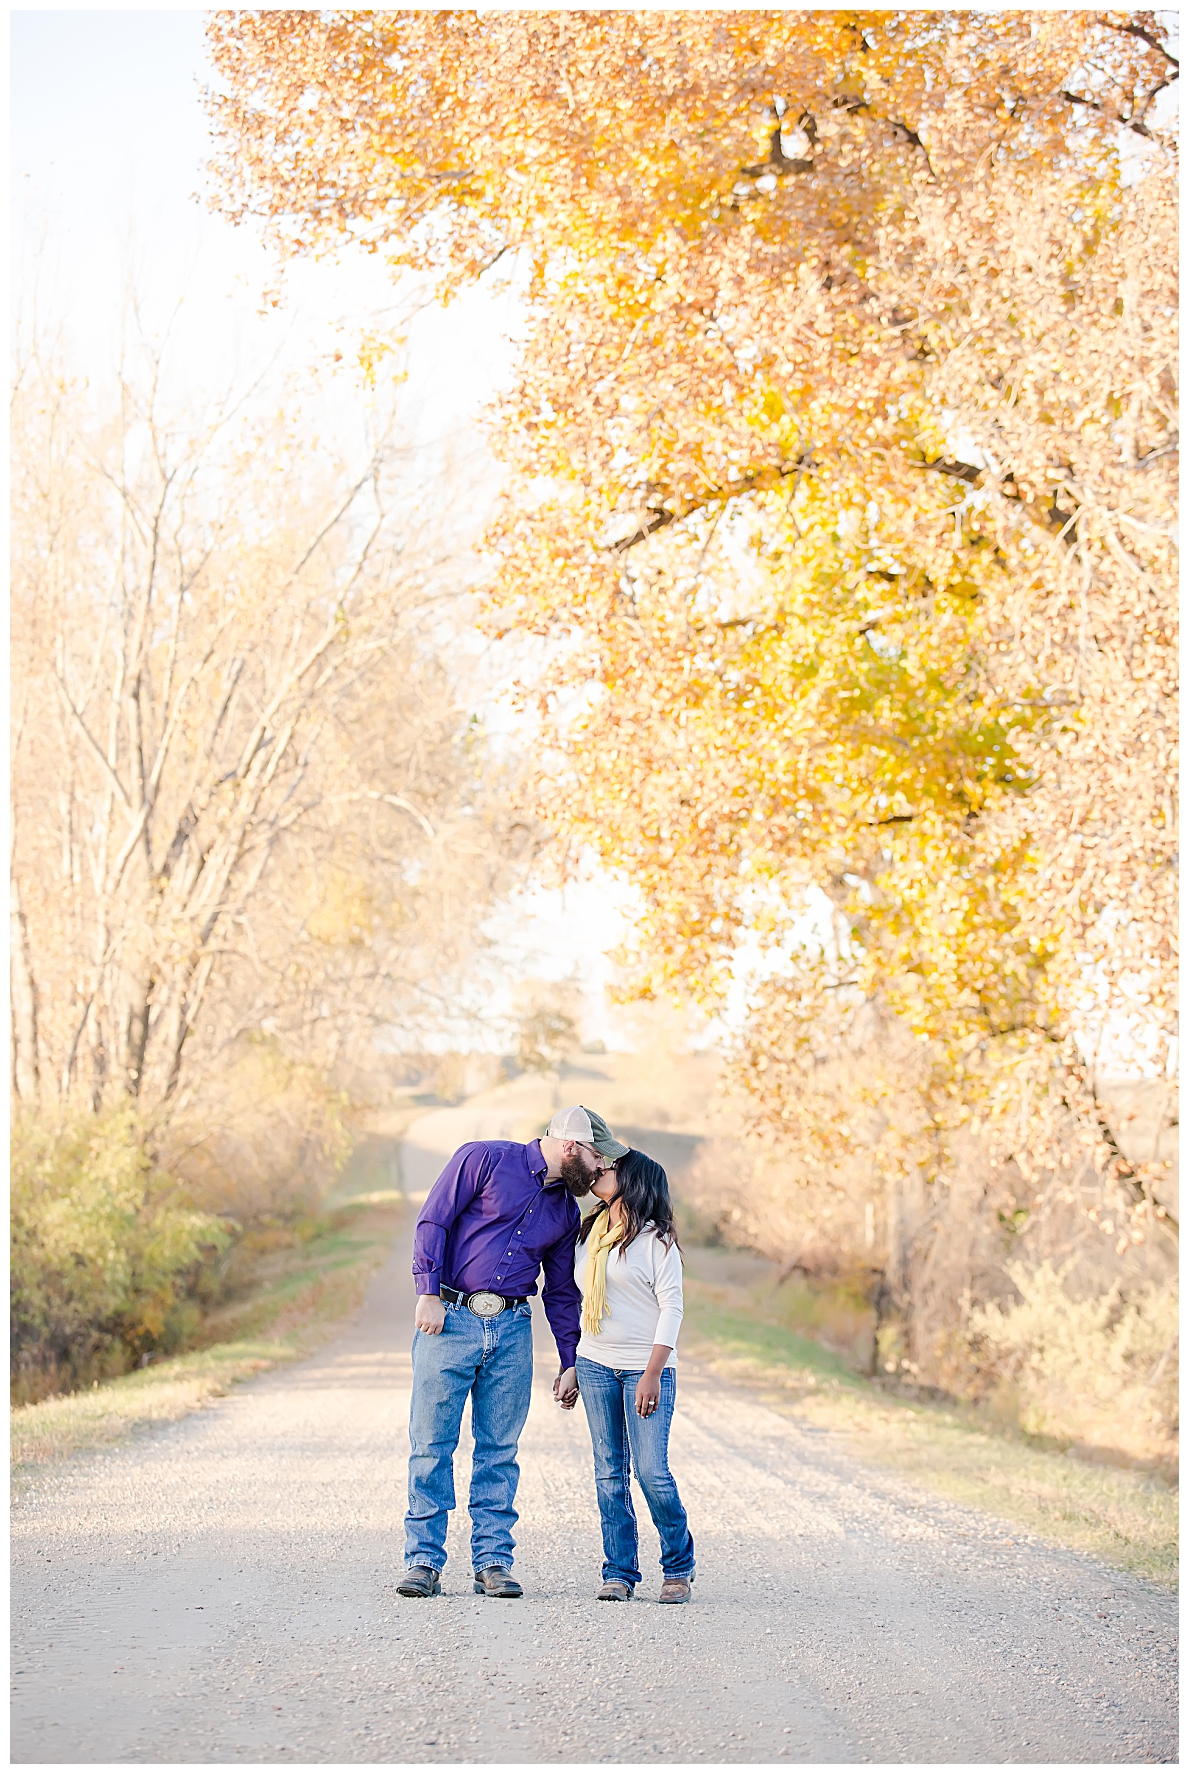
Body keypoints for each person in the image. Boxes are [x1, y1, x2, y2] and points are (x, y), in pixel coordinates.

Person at [398, 1103, 629, 1599]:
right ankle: (422, 1562)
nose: (600, 1171)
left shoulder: (565, 1211)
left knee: (499, 1451)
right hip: (450, 1320)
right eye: (596, 1158)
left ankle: (493, 1562)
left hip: (512, 1331)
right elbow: (433, 1221)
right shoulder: (481, 1159)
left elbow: (562, 1291)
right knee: (431, 1446)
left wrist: (570, 1360)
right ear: (571, 1147)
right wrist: (428, 1292)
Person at [572, 1147, 696, 1603]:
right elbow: (582, 1304)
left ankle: (679, 1565)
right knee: (608, 1473)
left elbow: (673, 1309)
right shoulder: (590, 1234)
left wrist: (651, 1373)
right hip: (595, 1364)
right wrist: (572, 1365)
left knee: (651, 1472)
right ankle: (619, 1572)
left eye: (612, 1168)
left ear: (636, 1182)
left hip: (647, 1369)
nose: (601, 1170)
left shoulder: (656, 1243)